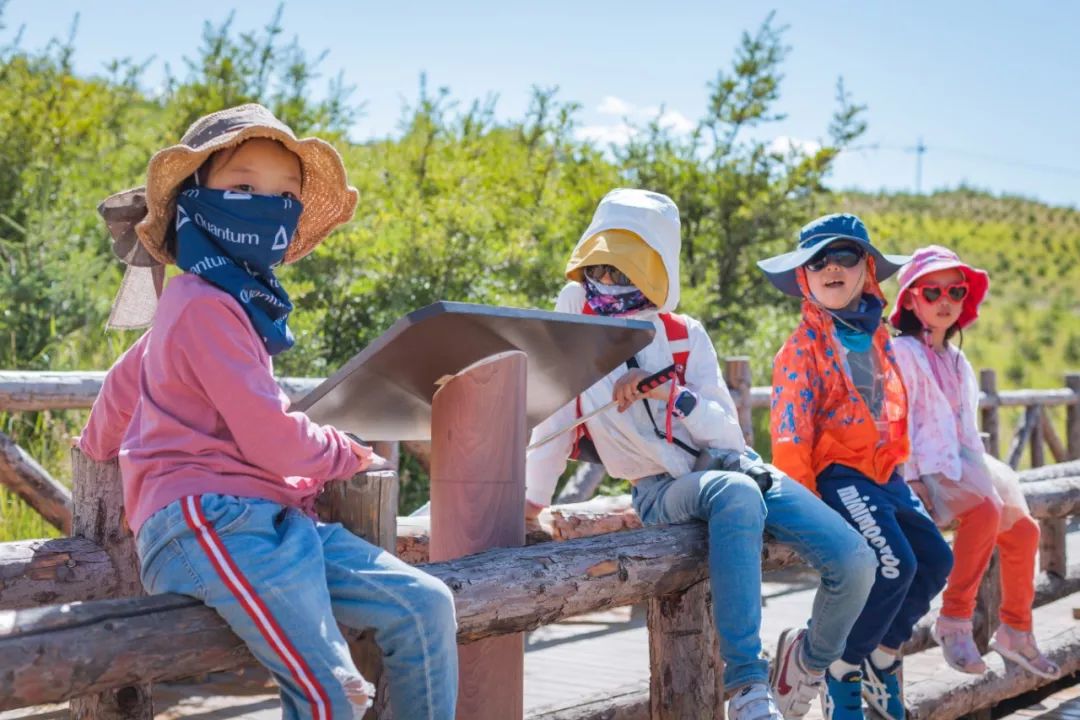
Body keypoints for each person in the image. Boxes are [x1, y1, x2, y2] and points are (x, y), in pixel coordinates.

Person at [80, 104, 458, 720]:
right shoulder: (202, 304)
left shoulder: (214, 305)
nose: (269, 207)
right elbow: (271, 438)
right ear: (196, 202)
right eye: (245, 187)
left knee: (424, 605)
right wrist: (341, 450)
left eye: (285, 195)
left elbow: (126, 382)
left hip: (268, 522)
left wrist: (93, 446)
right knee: (335, 692)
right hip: (208, 520)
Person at [526, 189, 876, 720]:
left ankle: (804, 664)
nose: (608, 283)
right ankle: (748, 688)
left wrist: (672, 393)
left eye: (624, 272)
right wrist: (529, 506)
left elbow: (728, 438)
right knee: (733, 495)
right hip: (659, 489)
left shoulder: (686, 336)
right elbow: (551, 423)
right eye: (599, 268)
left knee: (856, 562)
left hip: (738, 468)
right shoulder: (573, 331)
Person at [761, 213, 953, 720]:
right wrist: (800, 508)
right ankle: (840, 668)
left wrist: (905, 471)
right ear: (803, 277)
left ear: (866, 268)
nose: (830, 267)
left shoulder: (878, 334)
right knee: (894, 564)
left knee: (935, 561)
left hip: (885, 473)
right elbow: (790, 431)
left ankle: (881, 657)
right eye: (816, 260)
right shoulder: (800, 349)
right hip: (838, 475)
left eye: (844, 256)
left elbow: (891, 409)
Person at [889, 245, 1059, 679]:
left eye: (955, 291)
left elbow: (965, 429)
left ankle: (1016, 629)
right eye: (931, 292)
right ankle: (955, 618)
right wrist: (910, 477)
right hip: (922, 468)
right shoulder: (902, 352)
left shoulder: (958, 360)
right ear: (910, 299)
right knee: (984, 511)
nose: (945, 300)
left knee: (1024, 530)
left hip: (958, 463)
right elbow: (894, 417)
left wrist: (984, 475)